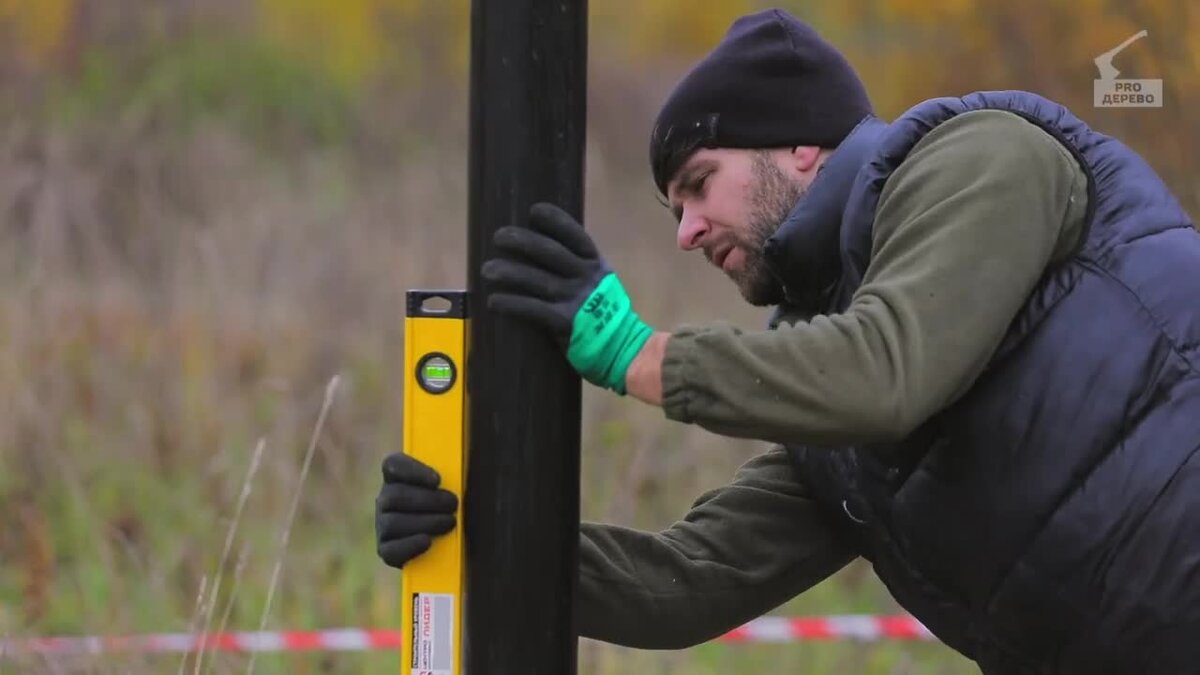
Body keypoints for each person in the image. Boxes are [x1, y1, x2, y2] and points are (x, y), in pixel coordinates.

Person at [375, 8, 1200, 673]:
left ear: (802, 144)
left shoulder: (980, 158)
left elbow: (888, 370)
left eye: (699, 185)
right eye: (673, 211)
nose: (687, 233)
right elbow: (687, 582)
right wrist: (477, 531)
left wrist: (636, 352)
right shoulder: (832, 424)